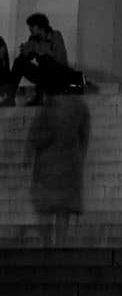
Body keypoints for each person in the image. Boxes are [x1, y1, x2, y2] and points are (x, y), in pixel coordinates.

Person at [26, 84, 91, 245]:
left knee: (45, 209)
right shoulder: (79, 107)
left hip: (46, 166)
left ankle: (47, 244)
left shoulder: (48, 108)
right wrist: (80, 157)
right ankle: (60, 246)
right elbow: (84, 137)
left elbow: (35, 135)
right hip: (69, 165)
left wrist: (28, 155)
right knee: (63, 211)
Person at [7, 14, 84, 106]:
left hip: (58, 74)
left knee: (45, 60)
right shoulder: (33, 40)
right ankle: (9, 97)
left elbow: (60, 59)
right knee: (19, 62)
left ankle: (39, 97)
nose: (30, 29)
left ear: (40, 26)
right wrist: (25, 52)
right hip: (44, 77)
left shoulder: (56, 35)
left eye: (32, 26)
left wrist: (37, 49)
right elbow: (26, 58)